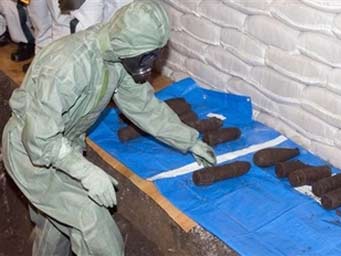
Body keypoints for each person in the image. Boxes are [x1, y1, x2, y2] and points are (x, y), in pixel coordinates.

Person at [2, 1, 216, 255]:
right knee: (92, 223)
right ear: (130, 44)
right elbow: (38, 136)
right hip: (30, 153)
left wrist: (189, 140)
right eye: (146, 56)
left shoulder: (118, 55)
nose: (151, 63)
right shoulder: (70, 65)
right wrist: (86, 172)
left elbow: (144, 107)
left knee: (56, 223)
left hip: (63, 146)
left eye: (154, 54)